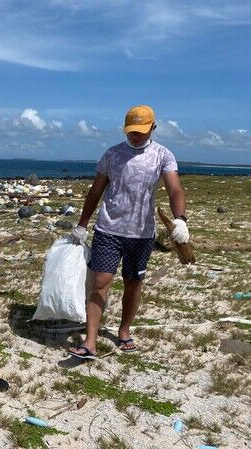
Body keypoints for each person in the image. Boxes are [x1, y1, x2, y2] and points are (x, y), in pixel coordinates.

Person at [68, 105, 190, 360]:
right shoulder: (112, 154)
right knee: (100, 282)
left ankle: (124, 330)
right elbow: (96, 190)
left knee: (133, 284)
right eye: (131, 131)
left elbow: (175, 189)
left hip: (141, 234)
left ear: (153, 128)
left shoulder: (163, 156)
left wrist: (180, 220)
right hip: (108, 229)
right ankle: (90, 342)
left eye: (141, 131)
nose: (136, 136)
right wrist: (82, 223)